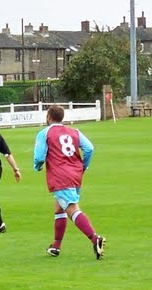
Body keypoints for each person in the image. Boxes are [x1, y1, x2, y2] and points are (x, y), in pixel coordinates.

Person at [33, 105, 104, 259]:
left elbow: (38, 157)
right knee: (59, 209)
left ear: (49, 117)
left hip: (60, 176)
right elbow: (89, 148)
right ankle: (56, 246)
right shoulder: (75, 132)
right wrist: (83, 166)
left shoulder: (44, 133)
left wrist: (37, 166)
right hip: (76, 174)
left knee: (71, 208)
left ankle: (95, 238)